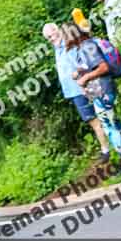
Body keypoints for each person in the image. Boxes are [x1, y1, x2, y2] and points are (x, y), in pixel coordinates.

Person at [61, 22, 121, 172]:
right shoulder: (85, 46)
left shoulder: (87, 47)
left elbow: (103, 67)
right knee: (114, 123)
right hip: (101, 91)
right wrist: (79, 71)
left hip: (102, 91)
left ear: (69, 35)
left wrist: (85, 77)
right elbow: (91, 64)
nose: (63, 40)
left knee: (110, 126)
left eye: (64, 36)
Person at [43, 23, 111, 163]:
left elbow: (83, 63)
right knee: (93, 120)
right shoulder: (57, 48)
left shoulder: (70, 44)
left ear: (57, 30)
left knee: (98, 118)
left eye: (51, 35)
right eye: (47, 37)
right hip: (74, 91)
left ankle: (108, 151)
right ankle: (107, 149)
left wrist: (82, 79)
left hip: (83, 87)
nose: (50, 39)